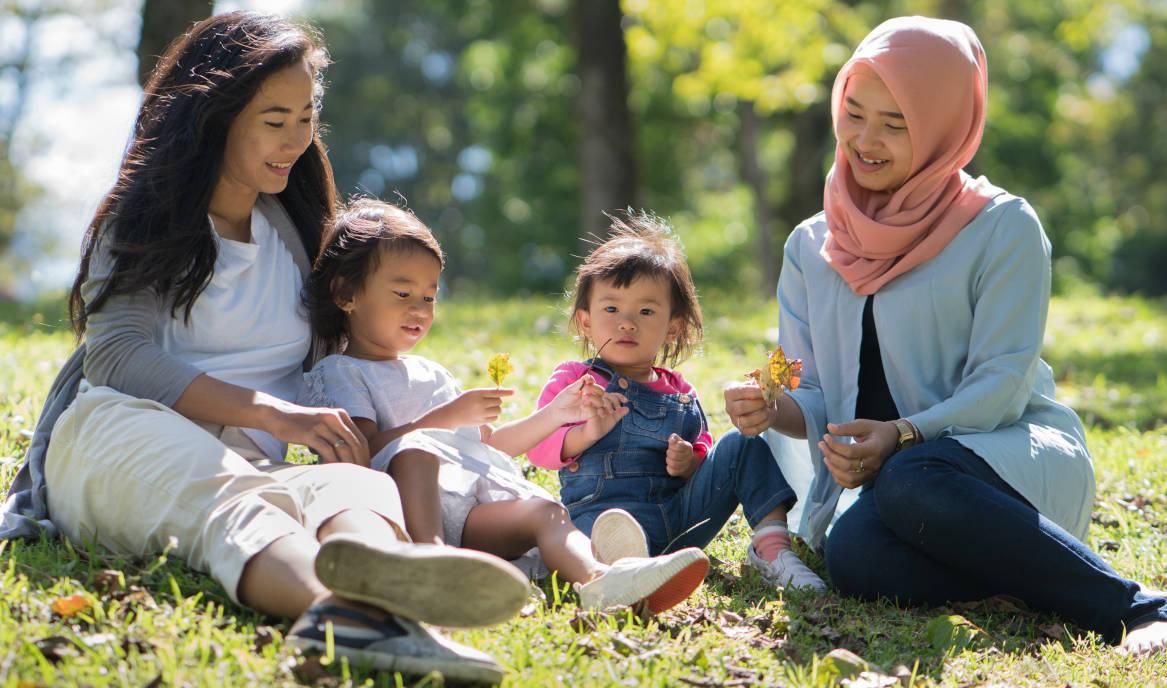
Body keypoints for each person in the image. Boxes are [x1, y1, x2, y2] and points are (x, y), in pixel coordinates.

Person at [0, 12, 530, 683]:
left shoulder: (293, 227)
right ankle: (348, 610)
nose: (295, 140)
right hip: (121, 439)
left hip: (260, 464)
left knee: (353, 487)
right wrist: (274, 414)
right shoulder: (146, 220)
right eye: (273, 120)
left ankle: (389, 590)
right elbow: (119, 359)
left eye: (306, 118)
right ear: (213, 117)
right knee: (235, 501)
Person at [723, 16, 1167, 656]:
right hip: (892, 496)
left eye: (895, 123)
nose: (864, 140)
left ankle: (1136, 607)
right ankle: (1023, 580)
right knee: (854, 557)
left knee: (910, 475)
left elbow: (1003, 386)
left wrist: (900, 436)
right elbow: (808, 383)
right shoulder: (810, 245)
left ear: (943, 123)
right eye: (853, 112)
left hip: (1001, 461)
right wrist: (773, 405)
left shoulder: (1002, 228)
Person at [300, 198, 710, 616]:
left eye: (429, 296)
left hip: (473, 510)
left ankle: (601, 579)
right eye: (403, 293)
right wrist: (444, 418)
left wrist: (556, 415)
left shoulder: (432, 373)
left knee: (546, 512)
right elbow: (359, 451)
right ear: (347, 293)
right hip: (405, 511)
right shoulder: (341, 372)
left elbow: (489, 448)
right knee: (416, 451)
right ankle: (430, 566)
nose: (419, 309)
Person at [526, 213, 827, 593]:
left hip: (679, 521)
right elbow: (538, 448)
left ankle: (772, 549)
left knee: (742, 445)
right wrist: (586, 433)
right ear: (586, 321)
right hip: (603, 523)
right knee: (599, 535)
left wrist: (690, 463)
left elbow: (703, 459)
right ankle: (626, 572)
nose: (627, 323)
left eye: (646, 311)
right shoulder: (575, 381)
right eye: (611, 309)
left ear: (674, 327)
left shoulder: (681, 394)